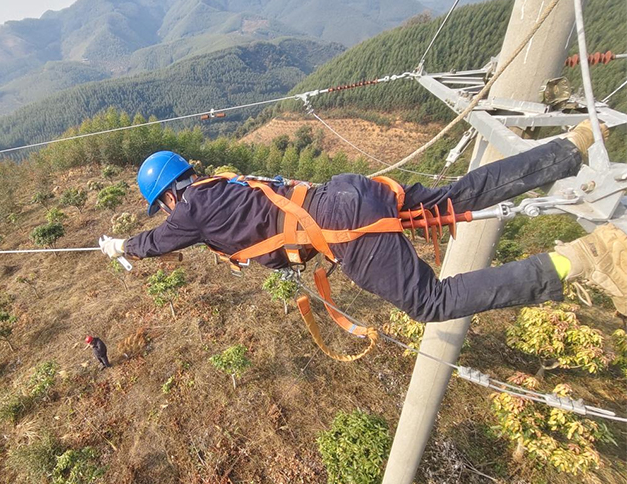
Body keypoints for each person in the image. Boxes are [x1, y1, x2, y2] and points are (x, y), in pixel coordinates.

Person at [99, 121, 626, 323]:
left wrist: (120, 246)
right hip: (347, 191)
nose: (169, 211)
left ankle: (579, 259)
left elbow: (156, 243)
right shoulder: (224, 183)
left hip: (341, 225)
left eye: (163, 203)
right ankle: (567, 149)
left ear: (168, 195)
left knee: (430, 302)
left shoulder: (191, 209)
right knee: (452, 196)